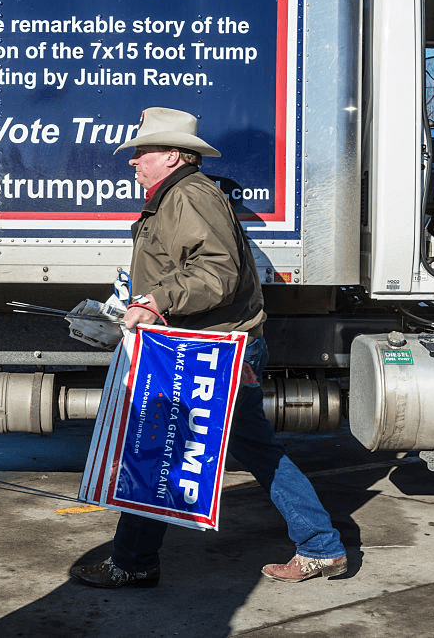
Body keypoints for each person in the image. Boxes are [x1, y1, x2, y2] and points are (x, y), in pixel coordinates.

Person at [69, 107, 346, 588]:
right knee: (178, 451)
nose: (132, 162)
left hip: (213, 351)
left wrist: (156, 302)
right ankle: (319, 546)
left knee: (163, 451)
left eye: (142, 152)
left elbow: (217, 273)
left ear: (173, 155)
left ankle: (135, 562)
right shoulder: (179, 195)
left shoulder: (189, 196)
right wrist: (136, 303)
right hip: (208, 346)